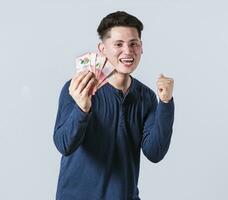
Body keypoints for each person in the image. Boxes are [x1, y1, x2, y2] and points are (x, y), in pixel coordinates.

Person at [53, 11, 175, 200]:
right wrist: (82, 109)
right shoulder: (77, 88)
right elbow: (64, 144)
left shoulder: (147, 97)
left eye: (133, 44)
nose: (127, 51)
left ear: (141, 48)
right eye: (118, 44)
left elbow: (155, 152)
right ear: (102, 49)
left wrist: (165, 103)